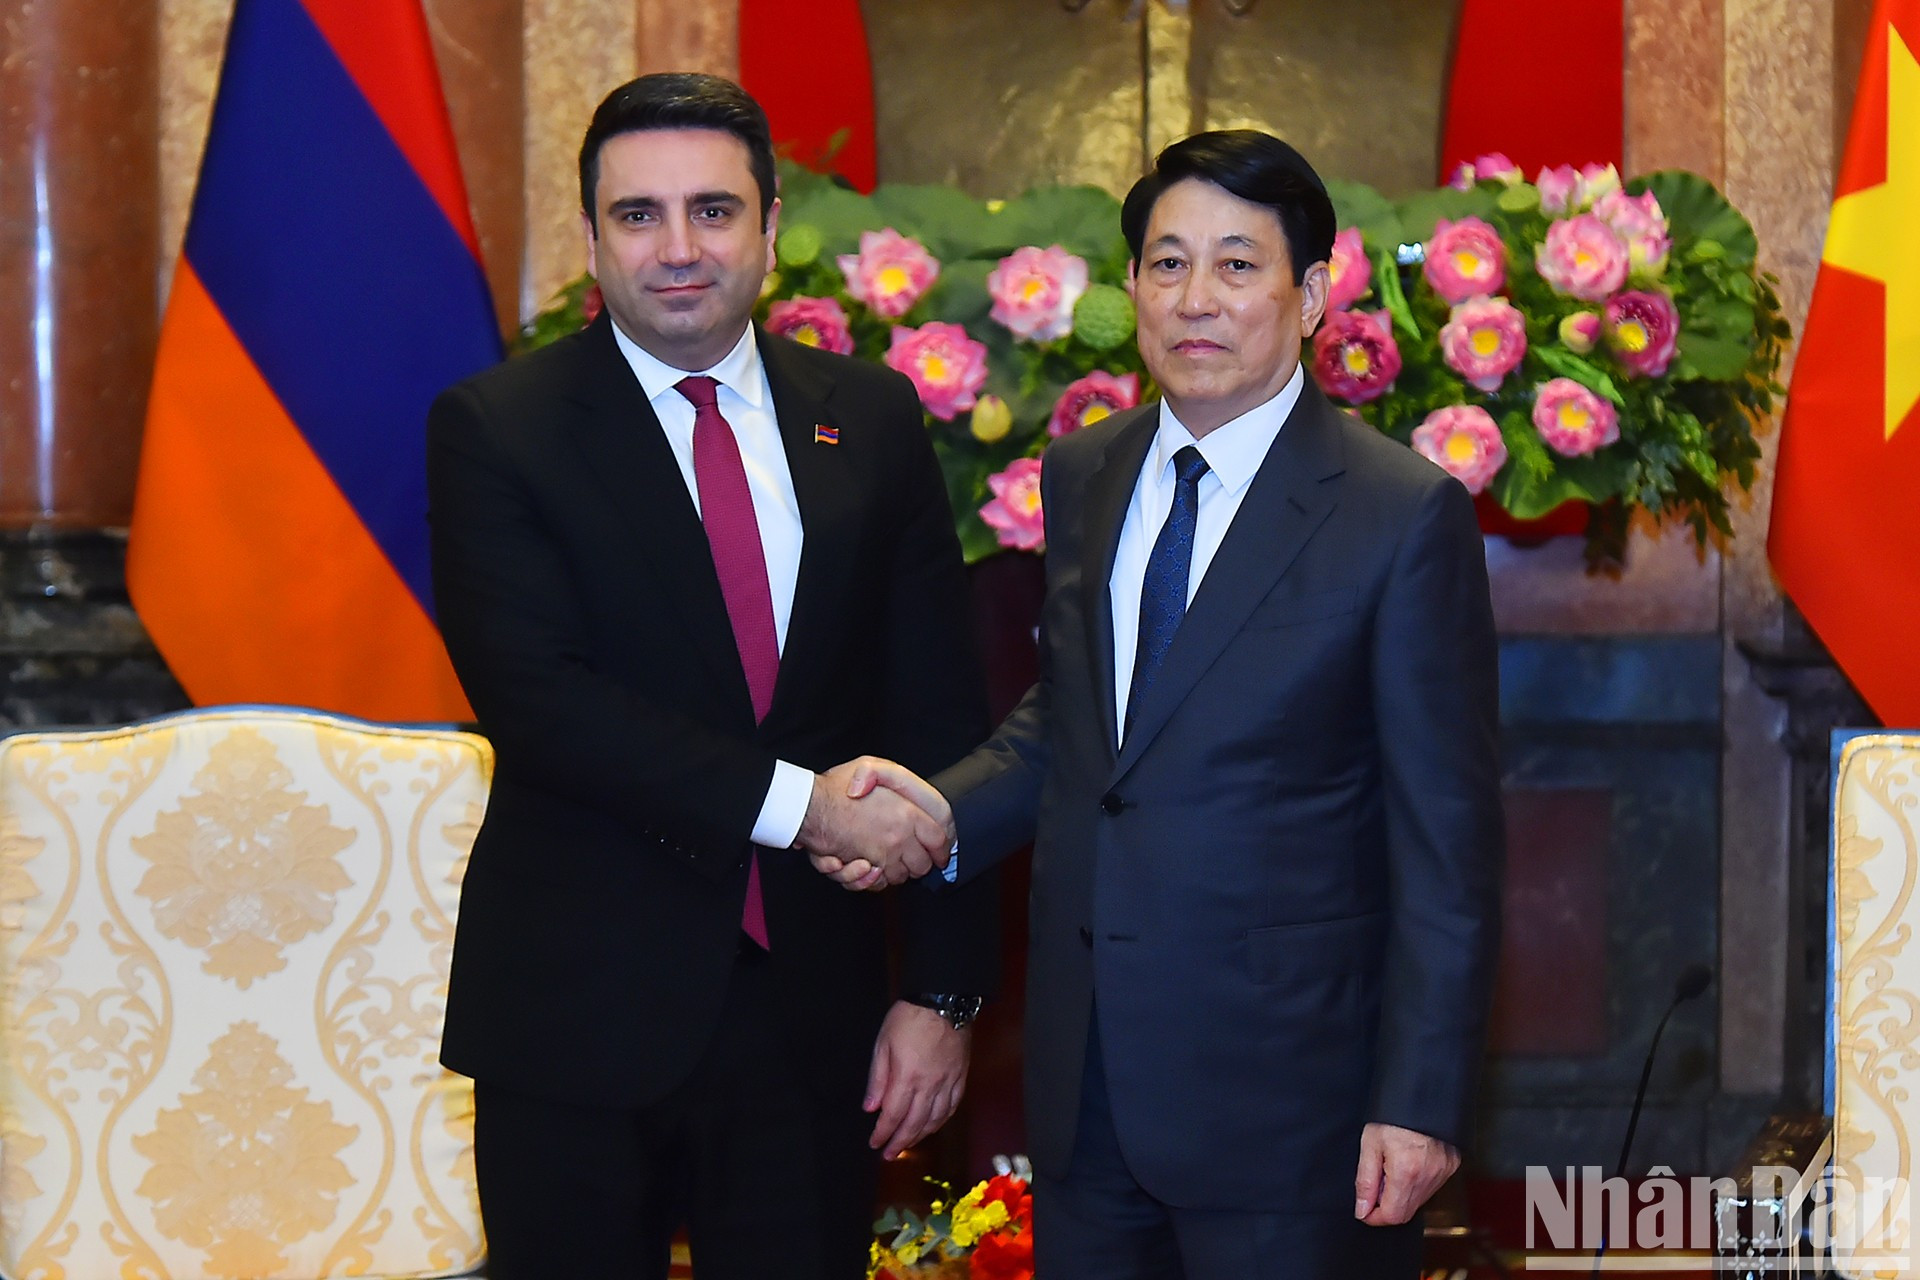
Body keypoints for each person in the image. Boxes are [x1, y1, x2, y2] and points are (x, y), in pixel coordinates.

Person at [824, 129, 1504, 1279]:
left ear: (1313, 293)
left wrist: (1421, 1099)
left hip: (1297, 1110)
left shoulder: (1400, 516)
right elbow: (1083, 726)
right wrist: (933, 816)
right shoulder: (1087, 472)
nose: (1198, 298)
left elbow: (1448, 838)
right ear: (1132, 285)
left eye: (1239, 265)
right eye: (1168, 262)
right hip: (1086, 1089)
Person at [427, 72, 997, 1280]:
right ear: (592, 239)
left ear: (772, 228)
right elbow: (544, 703)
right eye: (639, 215)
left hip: (813, 1026)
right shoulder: (496, 425)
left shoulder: (875, 417)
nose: (679, 248)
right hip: (577, 1017)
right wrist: (809, 806)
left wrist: (943, 993)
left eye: (713, 210)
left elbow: (939, 710)